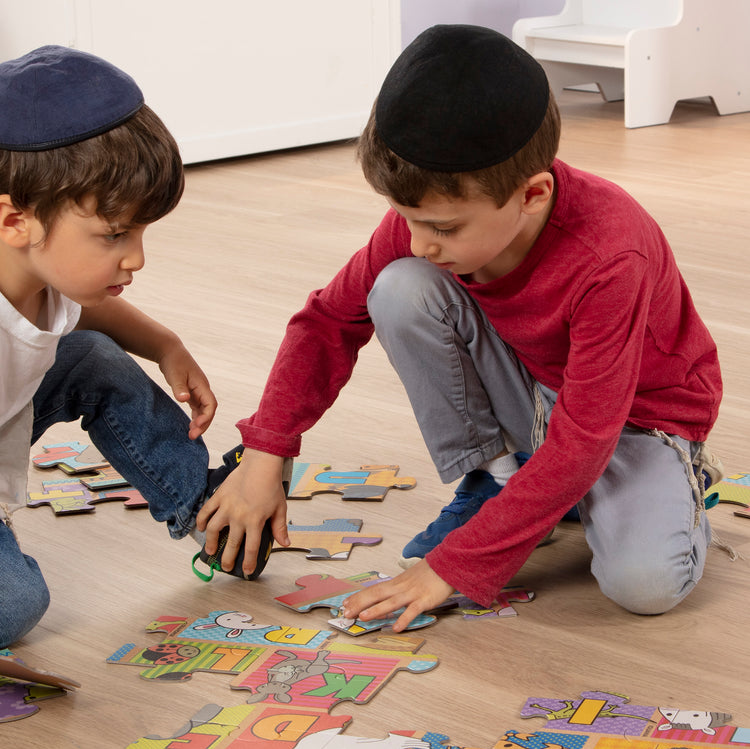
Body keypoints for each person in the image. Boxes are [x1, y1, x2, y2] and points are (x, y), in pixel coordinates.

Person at [199, 25, 723, 630]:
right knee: (398, 287)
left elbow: (584, 437)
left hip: (637, 420)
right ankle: (501, 480)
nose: (420, 242)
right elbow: (327, 320)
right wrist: (266, 453)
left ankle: (674, 489)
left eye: (443, 229)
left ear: (532, 194)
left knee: (646, 586)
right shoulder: (430, 223)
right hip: (534, 391)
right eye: (406, 219)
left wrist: (452, 569)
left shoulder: (611, 253)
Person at [0, 45, 246, 648]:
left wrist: (165, 344)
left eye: (139, 231)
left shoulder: (40, 274)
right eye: (114, 235)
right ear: (14, 222)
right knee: (17, 605)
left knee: (94, 357)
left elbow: (86, 309)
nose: (135, 257)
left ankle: (208, 513)